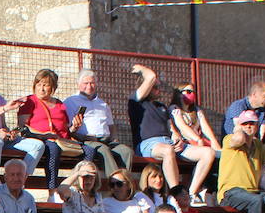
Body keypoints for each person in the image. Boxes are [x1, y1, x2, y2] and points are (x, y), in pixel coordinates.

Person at [128, 64, 187, 192]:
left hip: (168, 142)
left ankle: (194, 193)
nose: (158, 89)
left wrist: (178, 138)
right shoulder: (136, 101)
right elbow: (151, 76)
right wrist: (141, 69)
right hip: (148, 144)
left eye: (158, 86)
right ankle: (175, 192)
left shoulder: (162, 106)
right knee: (168, 151)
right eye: (155, 87)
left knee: (207, 153)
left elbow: (171, 128)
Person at [63, 69, 133, 178]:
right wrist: (75, 128)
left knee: (126, 151)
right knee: (103, 150)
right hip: (87, 140)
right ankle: (115, 181)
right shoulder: (71, 101)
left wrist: (114, 139)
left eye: (92, 83)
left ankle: (126, 182)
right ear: (78, 84)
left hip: (106, 140)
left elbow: (111, 125)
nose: (89, 86)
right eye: (86, 83)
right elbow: (67, 127)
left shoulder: (102, 104)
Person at [14, 68, 70, 197]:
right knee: (53, 148)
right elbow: (23, 126)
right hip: (41, 140)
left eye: (46, 85)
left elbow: (67, 127)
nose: (41, 88)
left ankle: (82, 190)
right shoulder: (30, 101)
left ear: (53, 87)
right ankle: (53, 191)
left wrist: (75, 127)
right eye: (39, 84)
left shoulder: (60, 104)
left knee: (89, 150)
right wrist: (44, 135)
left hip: (63, 140)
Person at [168, 82, 221, 205]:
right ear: (179, 93)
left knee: (220, 156)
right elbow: (182, 127)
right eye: (188, 91)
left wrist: (215, 144)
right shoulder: (174, 109)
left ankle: (210, 191)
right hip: (183, 144)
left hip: (199, 145)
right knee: (208, 154)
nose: (191, 94)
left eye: (193, 92)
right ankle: (193, 193)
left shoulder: (196, 110)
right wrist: (197, 139)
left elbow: (206, 129)